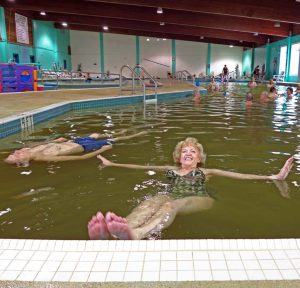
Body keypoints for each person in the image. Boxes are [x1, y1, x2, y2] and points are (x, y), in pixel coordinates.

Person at [88, 137, 294, 240]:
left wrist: (273, 176)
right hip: (169, 196)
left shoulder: (207, 171)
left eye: (193, 151)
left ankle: (137, 234)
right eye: (184, 151)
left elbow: (240, 176)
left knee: (171, 203)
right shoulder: (171, 169)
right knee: (150, 201)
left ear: (199, 157)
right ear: (178, 156)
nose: (188, 153)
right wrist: (113, 164)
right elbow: (142, 166)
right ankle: (121, 232)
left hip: (199, 197)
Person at [4, 130, 146, 167]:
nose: (16, 152)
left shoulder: (30, 149)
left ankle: (119, 132)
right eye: (17, 156)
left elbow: (47, 143)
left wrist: (55, 140)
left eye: (14, 153)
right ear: (24, 163)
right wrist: (102, 151)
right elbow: (81, 157)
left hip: (74, 141)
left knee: (95, 134)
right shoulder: (42, 157)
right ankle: (134, 135)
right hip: (84, 147)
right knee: (111, 141)